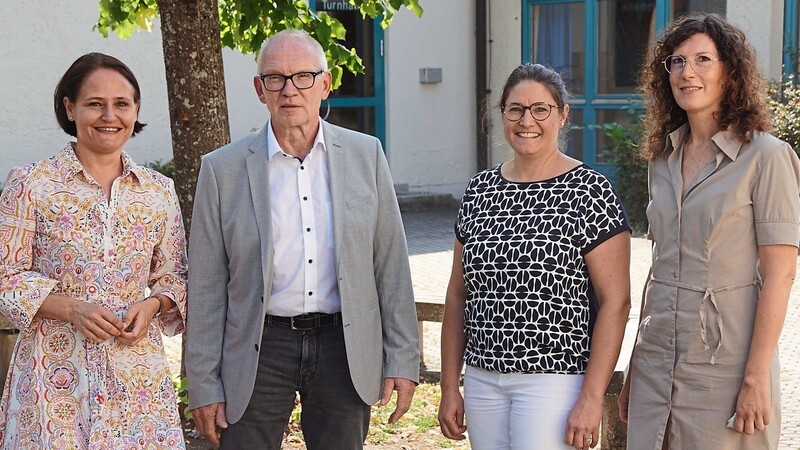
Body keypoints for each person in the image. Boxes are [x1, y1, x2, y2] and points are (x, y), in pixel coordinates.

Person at [185, 29, 420, 450]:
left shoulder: (367, 155)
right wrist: (203, 383)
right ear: (260, 89)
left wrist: (403, 357)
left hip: (342, 345)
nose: (290, 90)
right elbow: (205, 286)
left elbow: (390, 264)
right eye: (275, 78)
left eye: (304, 77)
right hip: (258, 348)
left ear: (325, 84)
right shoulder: (223, 170)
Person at [618, 13, 800, 449]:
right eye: (677, 62)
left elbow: (780, 275)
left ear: (730, 71)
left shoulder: (767, 158)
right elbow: (658, 266)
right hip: (656, 364)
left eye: (703, 59)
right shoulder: (661, 159)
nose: (687, 72)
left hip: (725, 367)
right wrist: (635, 365)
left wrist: (756, 377)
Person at [438, 62, 632, 450]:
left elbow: (617, 302)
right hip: (482, 379)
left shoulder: (590, 192)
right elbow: (458, 295)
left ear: (562, 115)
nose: (527, 120)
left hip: (554, 382)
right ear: (503, 115)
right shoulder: (480, 190)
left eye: (540, 109)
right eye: (516, 109)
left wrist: (591, 399)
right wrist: (449, 386)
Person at [0, 53, 188, 448]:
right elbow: (4, 278)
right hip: (54, 376)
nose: (110, 115)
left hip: (137, 377)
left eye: (122, 104)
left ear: (136, 110)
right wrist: (72, 308)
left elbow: (175, 277)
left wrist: (153, 305)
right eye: (94, 103)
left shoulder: (158, 191)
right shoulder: (30, 184)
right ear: (70, 108)